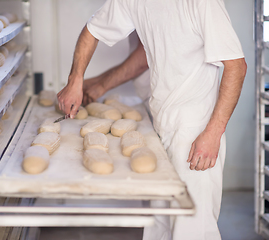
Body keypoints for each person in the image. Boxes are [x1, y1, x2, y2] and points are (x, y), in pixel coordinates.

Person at [57, 0, 247, 239]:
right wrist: (76, 79)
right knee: (159, 225)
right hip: (161, 125)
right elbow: (92, 29)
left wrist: (213, 133)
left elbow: (236, 66)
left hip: (196, 130)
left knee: (192, 228)